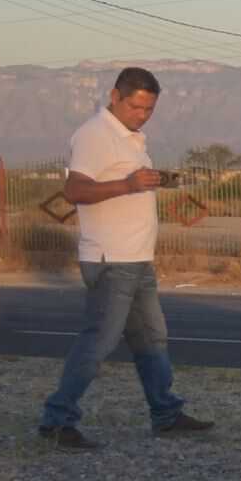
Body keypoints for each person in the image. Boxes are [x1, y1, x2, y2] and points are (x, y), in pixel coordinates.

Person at [36, 67, 214, 450]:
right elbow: (74, 189)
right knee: (98, 343)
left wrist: (150, 181)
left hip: (137, 259)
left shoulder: (131, 138)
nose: (142, 115)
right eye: (136, 106)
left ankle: (166, 414)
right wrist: (128, 184)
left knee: (151, 339)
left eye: (149, 109)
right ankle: (56, 421)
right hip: (111, 260)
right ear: (115, 96)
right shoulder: (94, 135)